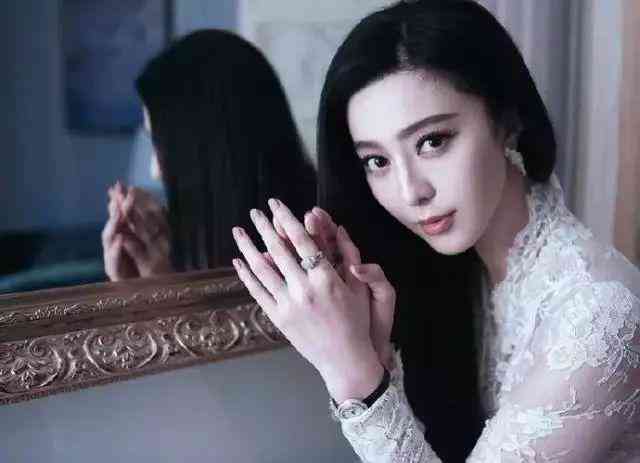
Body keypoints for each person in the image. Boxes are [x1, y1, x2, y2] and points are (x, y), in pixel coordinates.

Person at [231, 1, 640, 461]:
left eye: (432, 141)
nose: (411, 192)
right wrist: (376, 357)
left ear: (507, 119)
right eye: (377, 161)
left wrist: (354, 376)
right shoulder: (463, 278)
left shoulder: (598, 315)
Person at [102, 29, 316, 281]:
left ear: (213, 149)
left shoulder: (313, 242)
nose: (155, 170)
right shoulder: (198, 242)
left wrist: (163, 284)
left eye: (163, 146)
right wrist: (135, 286)